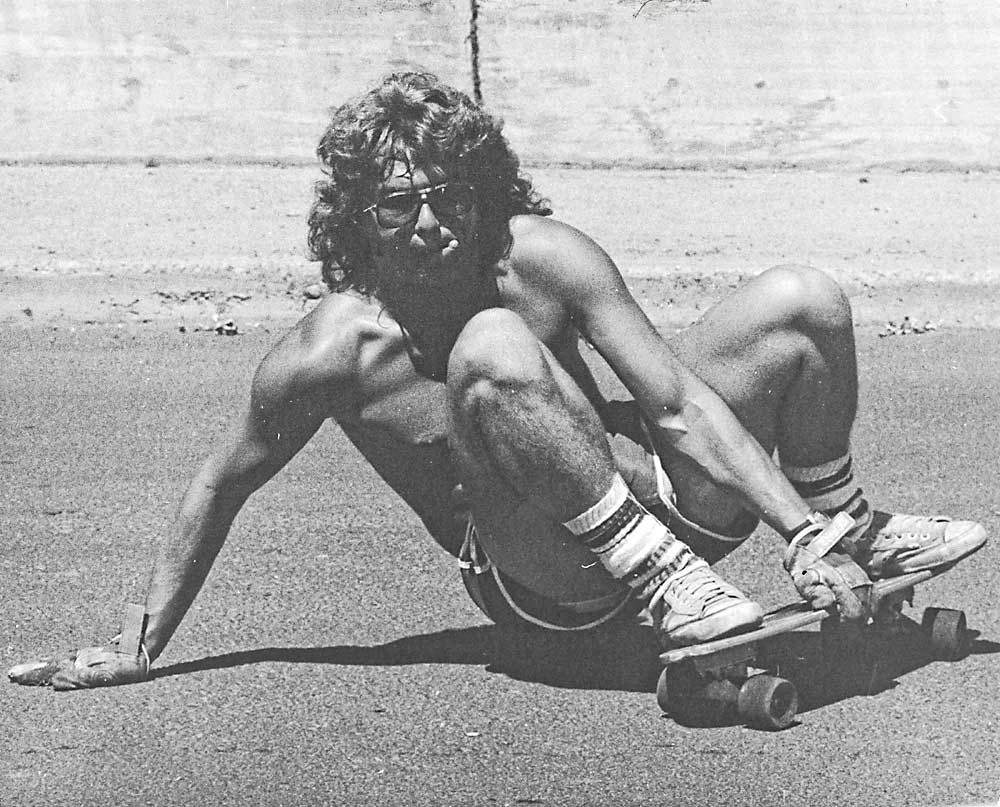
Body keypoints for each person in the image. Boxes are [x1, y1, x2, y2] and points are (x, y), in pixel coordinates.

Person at [8, 72, 986, 690]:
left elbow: (679, 405)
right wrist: (141, 643)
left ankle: (845, 515)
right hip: (553, 575)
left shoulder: (547, 258)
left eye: (449, 197)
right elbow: (221, 482)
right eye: (399, 204)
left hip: (670, 504)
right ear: (358, 217)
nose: (431, 222)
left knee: (799, 300)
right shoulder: (332, 354)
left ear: (481, 193)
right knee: (488, 350)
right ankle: (665, 581)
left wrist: (802, 536)